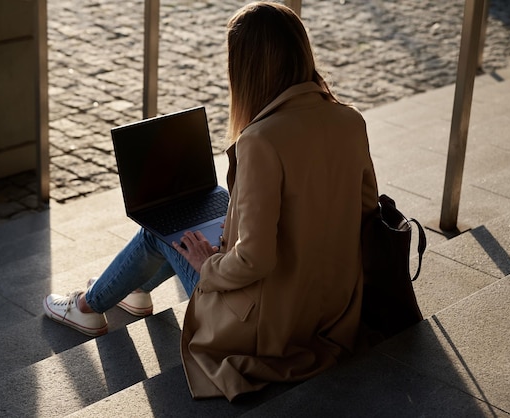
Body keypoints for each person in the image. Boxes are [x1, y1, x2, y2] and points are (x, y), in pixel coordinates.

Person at [44, 1, 378, 401]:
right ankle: (132, 289)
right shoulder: (348, 119)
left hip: (271, 324)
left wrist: (211, 265)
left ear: (246, 67)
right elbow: (365, 210)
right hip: (334, 309)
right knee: (191, 235)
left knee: (165, 234)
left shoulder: (261, 139)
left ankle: (88, 305)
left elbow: (256, 259)